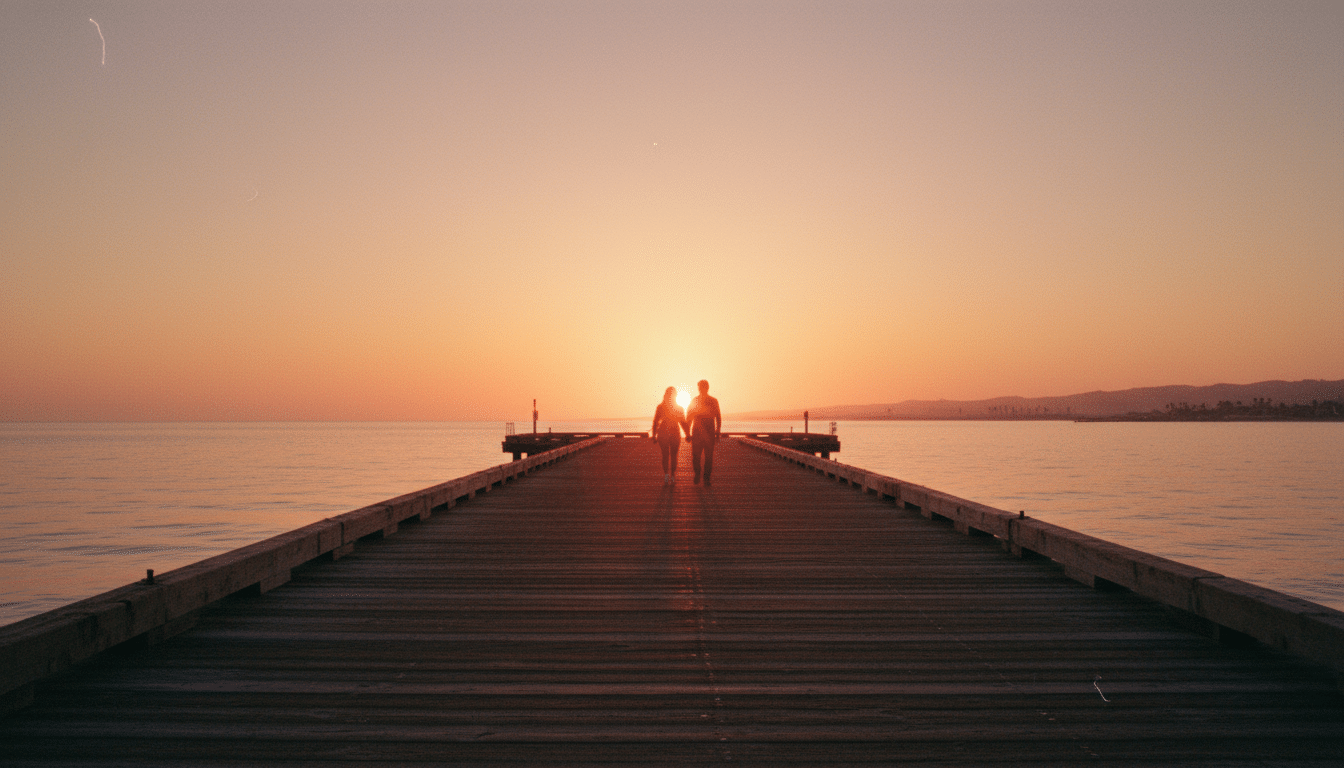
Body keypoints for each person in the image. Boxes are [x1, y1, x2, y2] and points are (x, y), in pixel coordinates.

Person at [686, 379, 722, 486]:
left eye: (701, 387)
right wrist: (687, 433)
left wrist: (718, 431)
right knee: (697, 456)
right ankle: (699, 475)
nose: (700, 389)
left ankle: (705, 478)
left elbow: (718, 416)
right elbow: (689, 417)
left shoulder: (712, 401)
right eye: (699, 387)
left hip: (708, 432)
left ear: (706, 388)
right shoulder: (696, 400)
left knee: (707, 456)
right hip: (699, 432)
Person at [651, 386, 688, 485]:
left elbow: (655, 422)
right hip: (674, 431)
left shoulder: (661, 407)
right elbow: (682, 422)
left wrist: (654, 435)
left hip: (663, 432)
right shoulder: (678, 408)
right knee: (673, 455)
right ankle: (672, 475)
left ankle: (667, 475)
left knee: (665, 455)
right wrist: (688, 434)